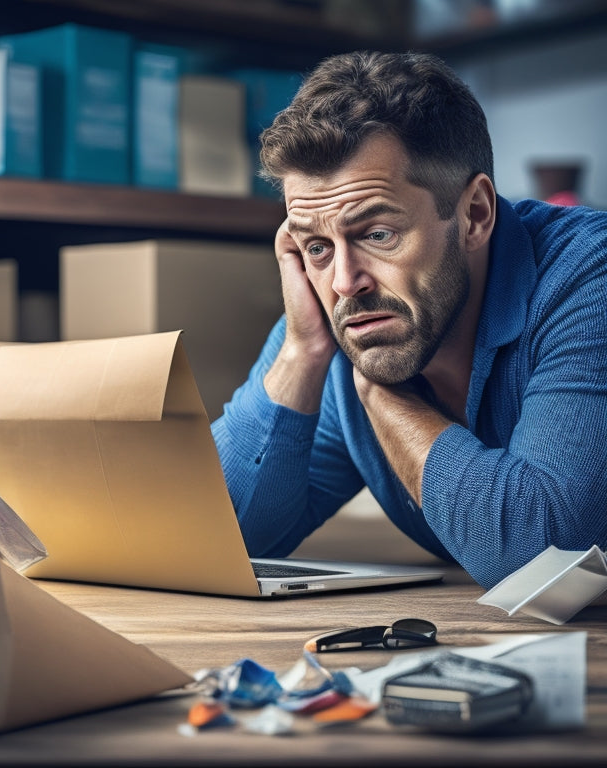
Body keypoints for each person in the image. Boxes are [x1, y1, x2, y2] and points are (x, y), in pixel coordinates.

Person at [211, 51, 607, 589]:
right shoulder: (337, 325)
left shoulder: (587, 278)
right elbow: (212, 537)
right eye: (316, 247)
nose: (346, 282)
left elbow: (546, 563)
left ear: (475, 215)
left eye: (378, 235)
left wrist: (381, 393)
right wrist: (300, 353)